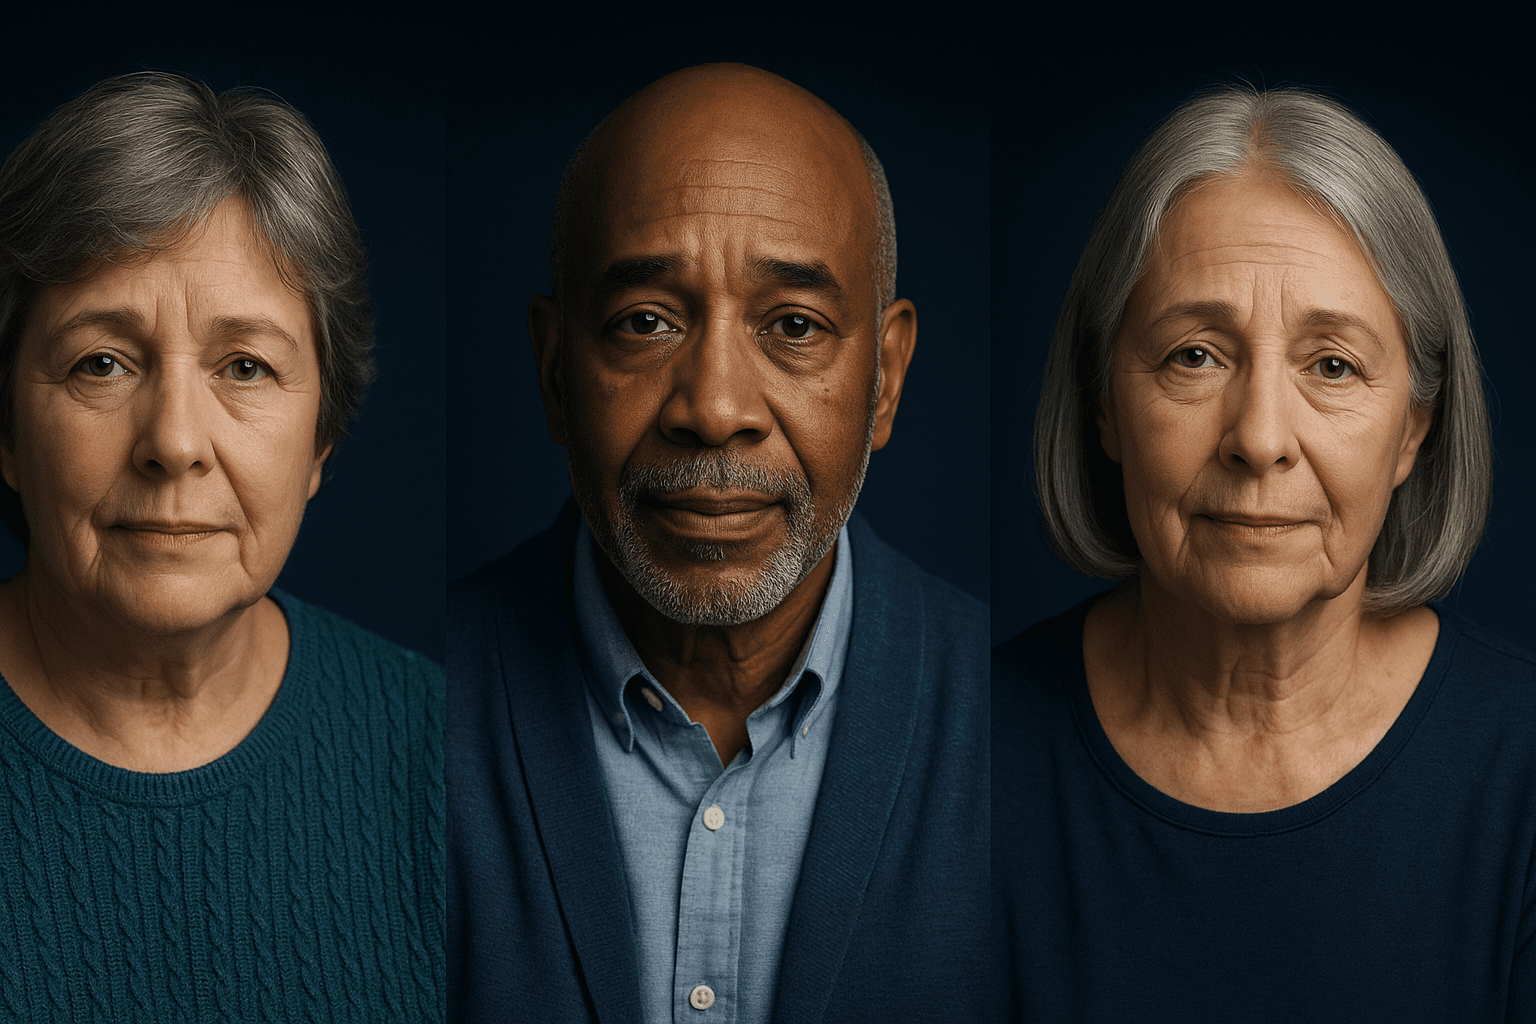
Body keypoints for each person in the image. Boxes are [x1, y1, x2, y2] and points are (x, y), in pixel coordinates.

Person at [448, 63, 991, 1023]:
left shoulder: (1011, 723)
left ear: (888, 377)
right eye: (645, 322)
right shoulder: (411, 714)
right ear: (554, 374)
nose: (716, 409)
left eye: (793, 325)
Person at [994, 84, 1534, 1021]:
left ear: (1414, 429)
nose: (1260, 438)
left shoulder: (1522, 774)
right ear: (1102, 403)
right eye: (1195, 355)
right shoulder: (955, 756)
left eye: (1333, 365)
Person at [0, 72, 443, 1020]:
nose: (174, 441)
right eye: (101, 363)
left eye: (245, 365)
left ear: (321, 438)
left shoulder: (447, 756)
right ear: (5, 430)